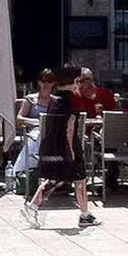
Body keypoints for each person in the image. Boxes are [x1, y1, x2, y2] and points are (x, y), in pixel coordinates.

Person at [21, 66, 99, 231]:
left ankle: (32, 206)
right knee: (80, 179)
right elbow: (70, 127)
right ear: (75, 81)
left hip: (52, 145)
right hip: (68, 145)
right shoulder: (73, 100)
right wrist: (70, 150)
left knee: (54, 178)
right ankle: (85, 215)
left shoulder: (55, 100)